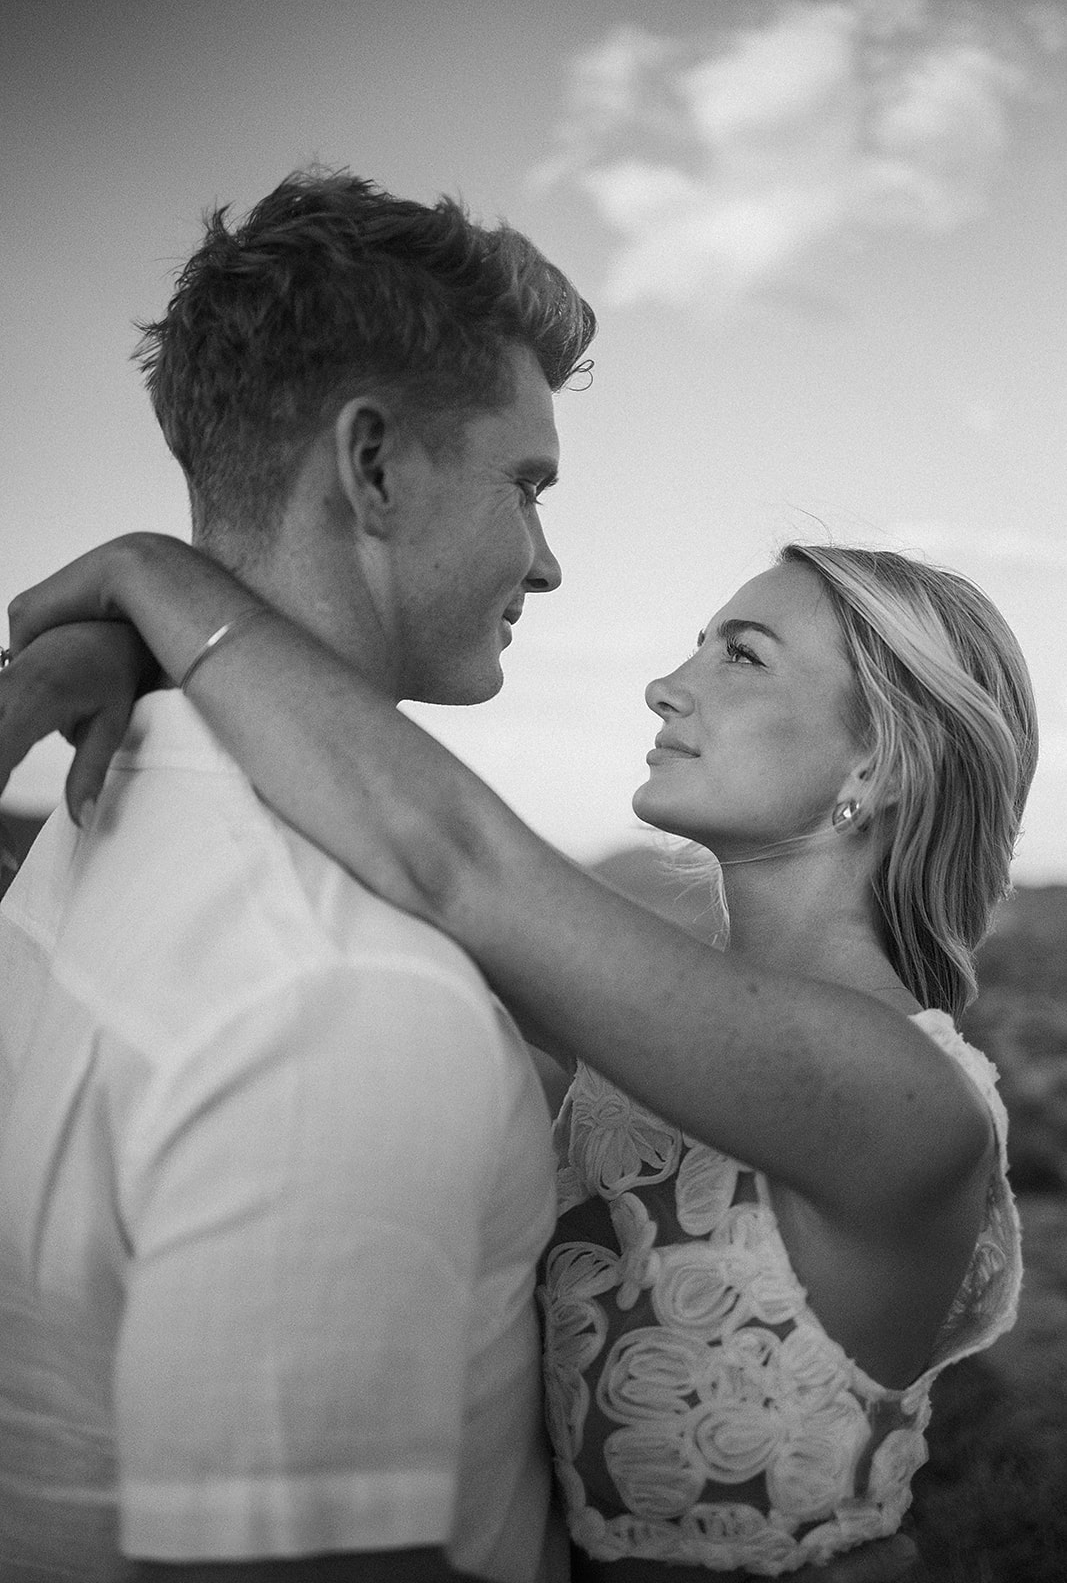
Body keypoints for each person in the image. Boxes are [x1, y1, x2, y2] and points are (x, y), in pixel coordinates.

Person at [0, 530, 1035, 1581]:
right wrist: (144, 667)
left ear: (878, 760)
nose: (664, 687)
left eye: (741, 655)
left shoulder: (898, 1091)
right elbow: (364, 838)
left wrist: (153, 575)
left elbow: (448, 858)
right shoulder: (651, 1034)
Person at [0, 167, 596, 1583]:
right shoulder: (334, 992)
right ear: (372, 464)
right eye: (525, 485)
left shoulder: (98, 814)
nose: (550, 560)